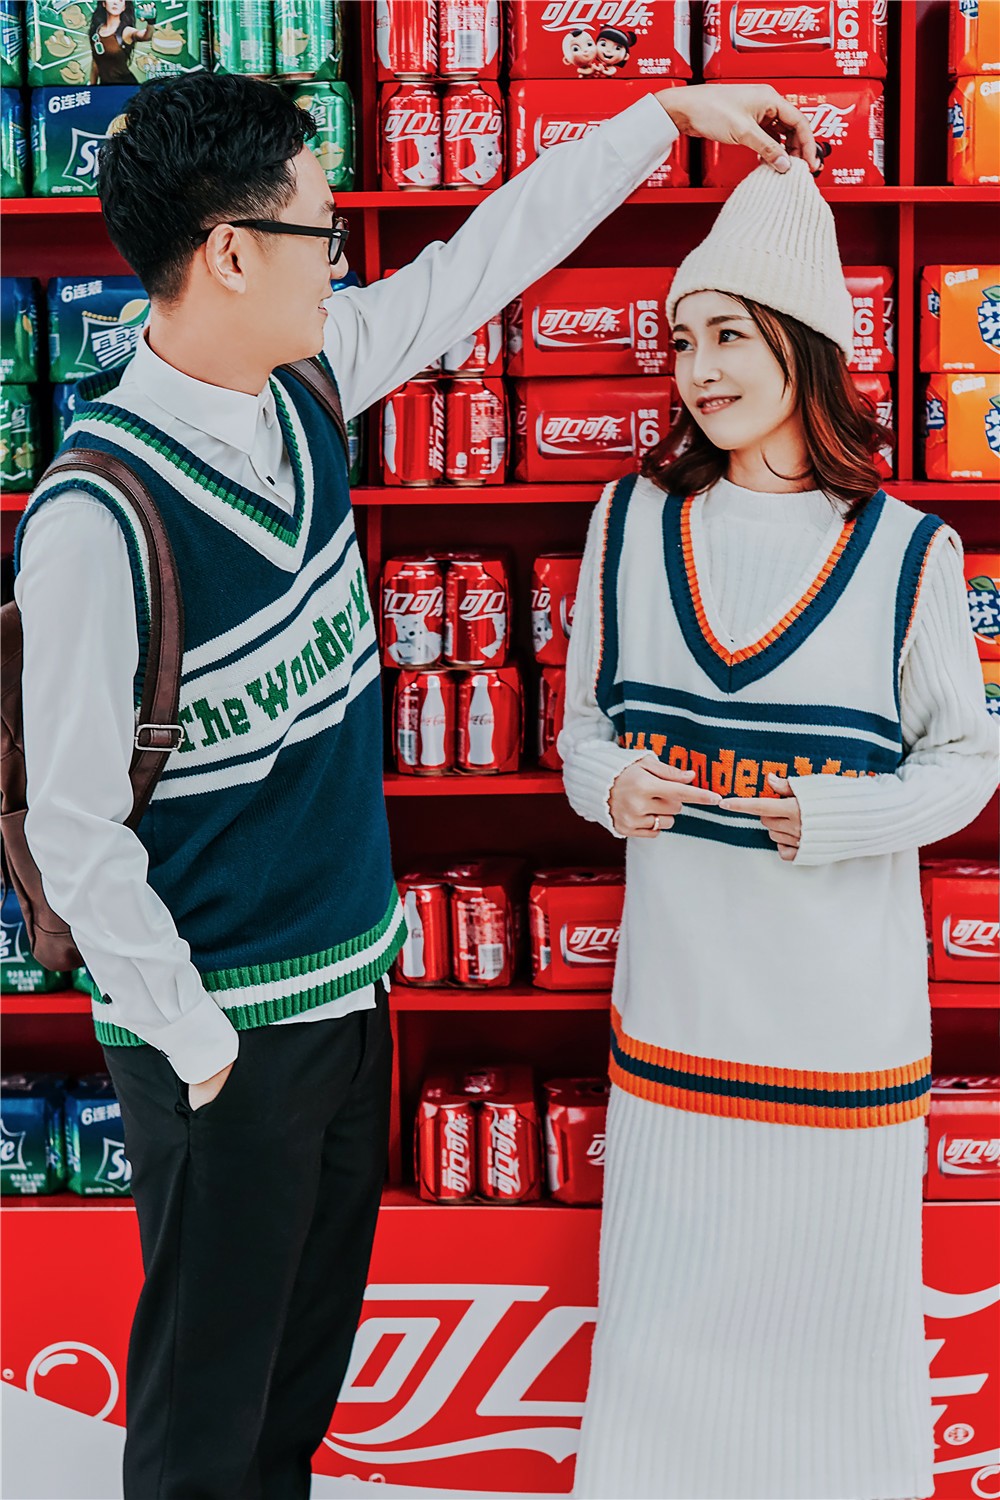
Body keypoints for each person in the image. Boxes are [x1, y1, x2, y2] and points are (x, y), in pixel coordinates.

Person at [13, 70, 821, 1500]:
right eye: (321, 231)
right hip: (221, 1036)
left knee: (291, 1403)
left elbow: (485, 259)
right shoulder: (97, 512)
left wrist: (664, 121)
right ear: (232, 254)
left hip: (346, 999)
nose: (343, 258)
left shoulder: (307, 382)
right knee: (203, 1428)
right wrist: (197, 1044)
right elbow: (72, 826)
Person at [562, 159, 998, 1500]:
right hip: (677, 1021)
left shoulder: (910, 553)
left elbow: (968, 763)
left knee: (838, 1357)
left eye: (731, 335)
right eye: (683, 339)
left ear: (804, 344)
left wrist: (832, 813)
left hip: (840, 1036)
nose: (699, 368)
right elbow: (581, 731)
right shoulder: (629, 521)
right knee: (662, 1341)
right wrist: (608, 786)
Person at [88, 0, 154, 87]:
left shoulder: (126, 31)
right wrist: (92, 87)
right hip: (105, 87)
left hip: (126, 87)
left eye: (120, 0)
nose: (115, 3)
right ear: (104, 3)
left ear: (124, 7)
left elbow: (146, 36)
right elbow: (96, 62)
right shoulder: (96, 32)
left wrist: (150, 22)